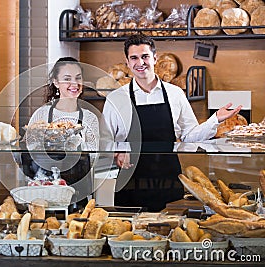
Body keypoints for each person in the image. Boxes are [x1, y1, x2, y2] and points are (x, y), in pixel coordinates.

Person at [102, 34, 242, 211]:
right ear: (128, 62)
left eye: (145, 56)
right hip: (130, 184)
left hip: (168, 182)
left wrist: (215, 120)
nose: (140, 63)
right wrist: (118, 150)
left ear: (155, 58)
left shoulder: (175, 94)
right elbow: (104, 141)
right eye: (134, 58)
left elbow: (189, 136)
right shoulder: (116, 98)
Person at [22, 57, 100, 208]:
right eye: (67, 79)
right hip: (43, 190)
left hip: (79, 193)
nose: (74, 84)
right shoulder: (42, 115)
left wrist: (74, 145)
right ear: (55, 82)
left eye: (78, 78)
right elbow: (30, 152)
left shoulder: (90, 118)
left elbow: (94, 157)